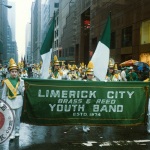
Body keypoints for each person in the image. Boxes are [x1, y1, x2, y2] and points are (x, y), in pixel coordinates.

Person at [1, 58, 25, 140]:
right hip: (9, 101)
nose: (14, 73)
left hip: (18, 100)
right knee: (11, 117)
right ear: (10, 72)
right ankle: (11, 132)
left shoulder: (20, 81)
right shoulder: (6, 81)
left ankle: (17, 131)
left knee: (18, 117)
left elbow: (22, 92)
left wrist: (22, 84)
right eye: (12, 72)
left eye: (15, 72)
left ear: (18, 72)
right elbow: (4, 93)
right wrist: (2, 103)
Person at [82, 61, 97, 133]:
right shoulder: (83, 81)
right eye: (89, 75)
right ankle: (84, 126)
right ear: (87, 75)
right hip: (85, 99)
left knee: (90, 113)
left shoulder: (94, 81)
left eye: (91, 75)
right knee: (85, 113)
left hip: (91, 99)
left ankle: (88, 125)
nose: (90, 76)